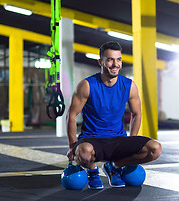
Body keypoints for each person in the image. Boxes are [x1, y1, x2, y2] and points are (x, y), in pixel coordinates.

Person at [66, 41, 162, 189]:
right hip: (92, 139)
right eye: (110, 59)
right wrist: (72, 147)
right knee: (83, 153)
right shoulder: (87, 85)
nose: (115, 64)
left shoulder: (129, 85)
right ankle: (92, 171)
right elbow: (71, 115)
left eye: (118, 59)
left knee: (155, 149)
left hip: (118, 139)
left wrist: (132, 139)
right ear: (101, 62)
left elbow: (137, 113)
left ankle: (114, 166)